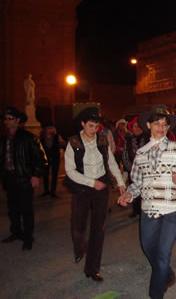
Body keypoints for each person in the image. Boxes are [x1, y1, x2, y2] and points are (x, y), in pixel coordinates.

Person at [117, 105, 176, 299]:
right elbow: (137, 182)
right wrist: (129, 194)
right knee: (148, 247)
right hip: (150, 208)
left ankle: (156, 293)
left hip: (172, 209)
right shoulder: (141, 153)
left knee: (162, 254)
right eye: (157, 123)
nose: (161, 127)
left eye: (164, 124)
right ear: (148, 125)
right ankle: (166, 274)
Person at [64, 107, 126, 281]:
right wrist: (92, 183)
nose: (94, 130)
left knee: (99, 229)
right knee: (78, 227)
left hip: (102, 188)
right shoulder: (73, 142)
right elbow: (70, 171)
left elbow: (111, 162)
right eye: (90, 126)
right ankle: (80, 246)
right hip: (82, 187)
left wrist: (120, 183)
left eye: (96, 127)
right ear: (83, 124)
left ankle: (92, 268)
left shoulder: (103, 139)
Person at [0, 106, 46, 250]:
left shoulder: (28, 137)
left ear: (18, 120)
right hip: (9, 178)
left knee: (26, 209)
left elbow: (40, 158)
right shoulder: (3, 139)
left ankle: (28, 237)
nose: (7, 122)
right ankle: (16, 232)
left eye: (11, 119)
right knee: (12, 208)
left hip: (24, 178)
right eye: (6, 119)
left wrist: (36, 175)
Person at [122, 116, 148, 218]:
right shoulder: (128, 140)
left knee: (144, 192)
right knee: (133, 189)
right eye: (134, 126)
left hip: (146, 170)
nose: (137, 129)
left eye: (139, 126)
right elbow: (125, 156)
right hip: (132, 169)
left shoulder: (147, 139)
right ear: (131, 128)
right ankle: (135, 210)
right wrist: (131, 168)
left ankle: (143, 211)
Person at [40, 122, 66, 198]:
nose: (50, 130)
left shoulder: (56, 136)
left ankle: (53, 191)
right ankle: (46, 190)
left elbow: (63, 144)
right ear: (45, 129)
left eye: (51, 128)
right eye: (48, 128)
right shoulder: (42, 137)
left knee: (54, 175)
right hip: (45, 158)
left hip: (55, 157)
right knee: (45, 174)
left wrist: (62, 143)